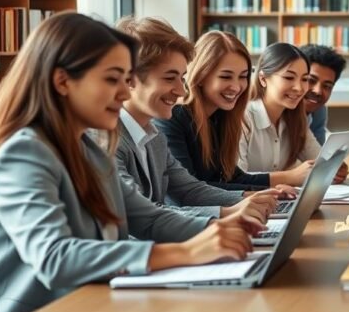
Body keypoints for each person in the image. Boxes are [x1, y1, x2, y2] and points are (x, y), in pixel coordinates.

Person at [0, 13, 263, 312]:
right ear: (63, 81)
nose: (124, 92)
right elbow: (54, 257)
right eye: (113, 79)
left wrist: (227, 235)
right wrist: (184, 252)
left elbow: (148, 218)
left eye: (127, 80)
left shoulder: (90, 150)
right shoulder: (24, 153)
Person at [114, 16, 278, 221]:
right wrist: (226, 214)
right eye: (169, 78)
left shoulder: (153, 137)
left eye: (182, 78)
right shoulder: (107, 142)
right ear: (129, 79)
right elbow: (141, 217)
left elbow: (190, 189)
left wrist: (247, 200)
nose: (182, 91)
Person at [155, 32, 300, 193]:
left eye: (243, 77)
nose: (236, 87)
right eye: (226, 77)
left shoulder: (220, 116)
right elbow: (189, 190)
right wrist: (257, 194)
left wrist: (272, 191)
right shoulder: (173, 117)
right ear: (201, 76)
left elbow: (232, 177)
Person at [239, 43, 323, 180]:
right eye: (289, 77)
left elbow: (319, 161)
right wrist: (289, 177)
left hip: (278, 199)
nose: (299, 88)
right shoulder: (243, 118)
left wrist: (333, 168)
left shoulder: (295, 118)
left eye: (305, 79)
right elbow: (234, 179)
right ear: (263, 79)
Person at [299, 44, 347, 146]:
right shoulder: (277, 111)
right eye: (311, 80)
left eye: (327, 86)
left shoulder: (319, 111)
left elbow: (316, 154)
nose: (318, 91)